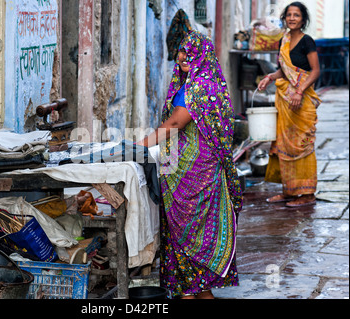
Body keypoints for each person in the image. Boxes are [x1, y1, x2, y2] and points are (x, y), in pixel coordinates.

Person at [137, 30, 242, 299]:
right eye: (182, 51)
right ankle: (195, 289)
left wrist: (138, 147)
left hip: (191, 175)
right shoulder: (215, 85)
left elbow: (174, 124)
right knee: (198, 235)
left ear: (202, 55)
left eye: (190, 52)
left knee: (186, 230)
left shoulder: (194, 89)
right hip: (210, 172)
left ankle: (188, 289)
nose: (183, 57)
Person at [257, 2, 321, 207]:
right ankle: (289, 191)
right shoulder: (283, 41)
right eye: (289, 15)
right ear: (285, 18)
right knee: (284, 145)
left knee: (302, 145)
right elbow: (284, 71)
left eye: (297, 15)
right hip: (285, 99)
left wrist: (300, 91)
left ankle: (308, 193)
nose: (292, 18)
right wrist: (269, 77)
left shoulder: (307, 41)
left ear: (303, 19)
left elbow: (315, 70)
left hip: (301, 101)